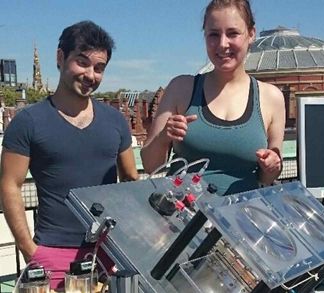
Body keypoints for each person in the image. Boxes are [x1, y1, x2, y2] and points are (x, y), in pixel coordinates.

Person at [0, 20, 138, 290]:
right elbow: (10, 185)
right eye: (82, 62)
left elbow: (132, 180)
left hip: (110, 253)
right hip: (53, 251)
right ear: (60, 57)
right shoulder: (28, 122)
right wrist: (30, 250)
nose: (91, 74)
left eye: (99, 68)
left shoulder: (115, 121)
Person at [141, 0, 285, 196]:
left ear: (251, 34)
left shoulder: (271, 97)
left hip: (239, 219)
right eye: (214, 35)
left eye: (233, 33)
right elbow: (150, 166)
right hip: (182, 220)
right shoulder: (181, 88)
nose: (222, 44)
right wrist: (163, 136)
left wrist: (272, 165)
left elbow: (266, 177)